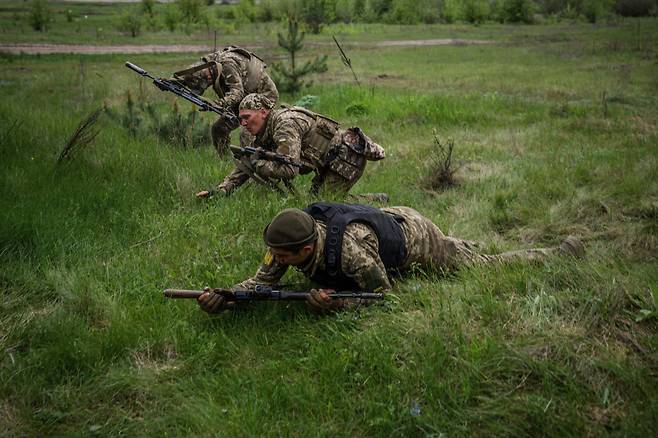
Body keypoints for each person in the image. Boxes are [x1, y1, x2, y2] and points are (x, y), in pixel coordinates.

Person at [197, 202, 584, 313]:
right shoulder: (287, 243)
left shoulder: (350, 253)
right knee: (462, 249)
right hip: (384, 220)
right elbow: (260, 284)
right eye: (274, 256)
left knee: (474, 266)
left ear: (307, 251)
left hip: (414, 237)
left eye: (282, 257)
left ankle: (559, 252)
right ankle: (465, 245)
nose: (275, 262)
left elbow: (383, 295)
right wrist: (227, 298)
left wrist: (336, 306)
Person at [195, 94, 386, 199]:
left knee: (323, 209)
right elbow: (246, 161)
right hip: (328, 161)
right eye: (241, 119)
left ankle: (373, 201)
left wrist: (259, 165)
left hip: (345, 159)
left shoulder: (284, 125)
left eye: (247, 117)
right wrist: (221, 191)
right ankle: (375, 199)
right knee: (313, 205)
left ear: (263, 112)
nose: (243, 124)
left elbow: (289, 169)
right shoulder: (265, 130)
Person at [172, 46, 279, 155]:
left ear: (208, 78)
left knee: (247, 134)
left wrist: (218, 104)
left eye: (206, 83)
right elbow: (196, 68)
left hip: (263, 97)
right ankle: (226, 161)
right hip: (244, 99)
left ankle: (253, 165)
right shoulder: (210, 63)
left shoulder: (227, 65)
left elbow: (237, 92)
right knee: (219, 129)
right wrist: (177, 81)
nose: (209, 84)